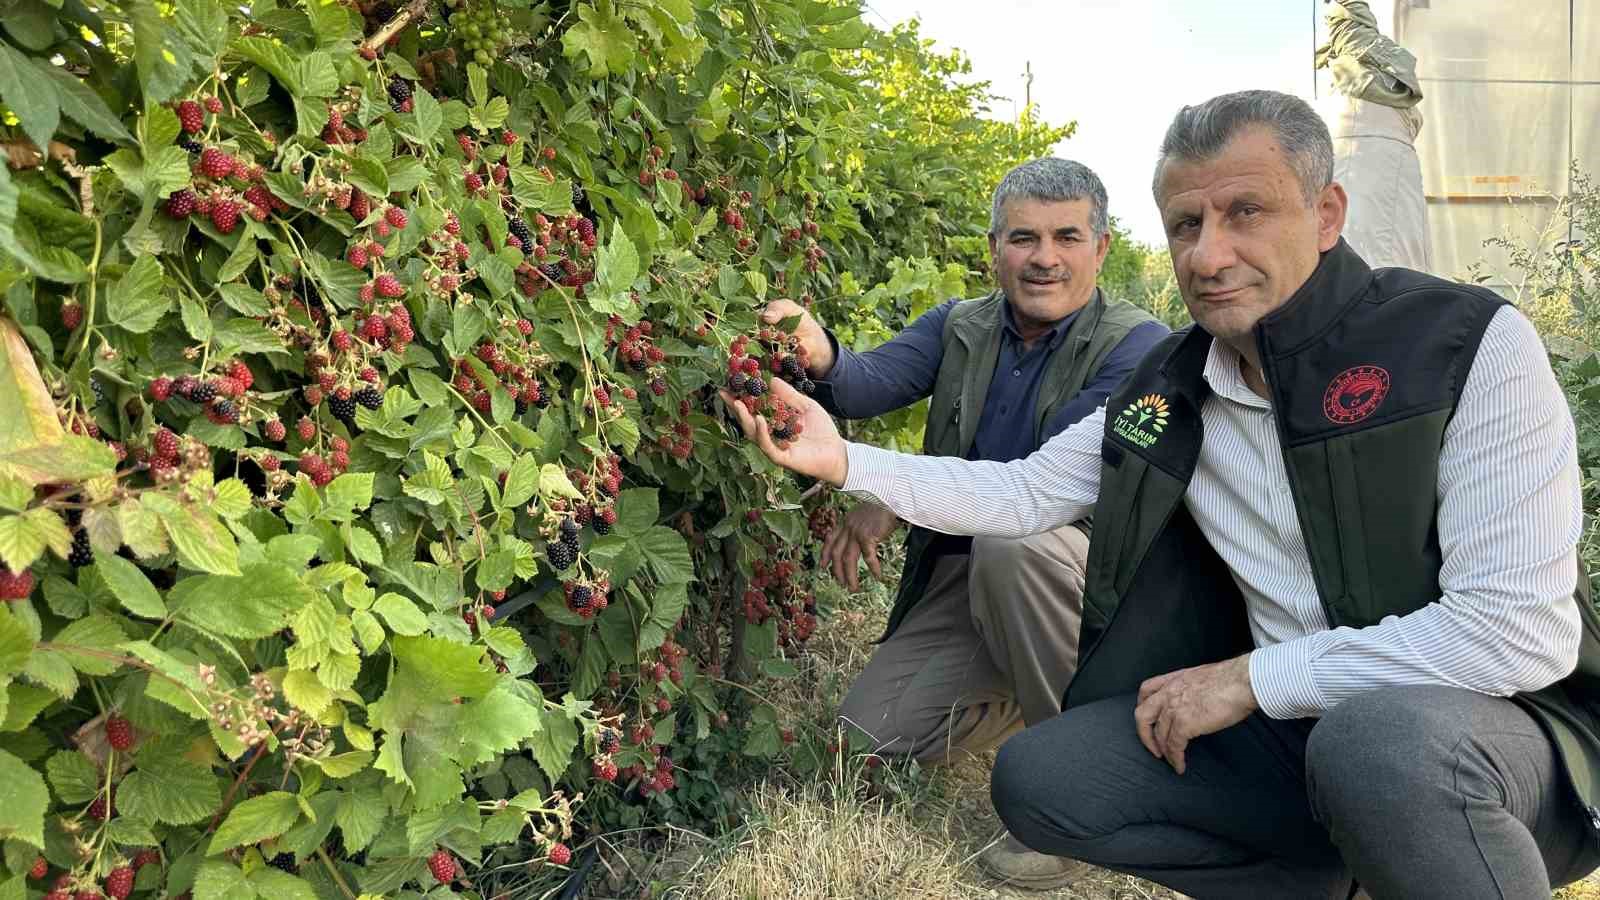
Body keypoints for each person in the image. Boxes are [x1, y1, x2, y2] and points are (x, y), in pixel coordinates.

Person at [724, 90, 1600, 898]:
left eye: (1245, 212)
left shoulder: (1465, 344)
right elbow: (1026, 494)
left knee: (1378, 744)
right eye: (1186, 223)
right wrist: (843, 461)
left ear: (1327, 214)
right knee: (1044, 780)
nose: (1209, 254)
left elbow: (1516, 632)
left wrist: (1254, 678)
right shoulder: (1169, 388)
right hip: (1291, 731)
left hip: (1504, 739)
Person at [759, 158, 1167, 888]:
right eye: (1023, 238)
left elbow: (1036, 485)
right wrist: (820, 353)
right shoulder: (960, 324)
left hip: (1077, 580)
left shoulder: (1136, 348)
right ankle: (1028, 688)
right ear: (993, 249)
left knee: (1016, 549)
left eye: (1067, 237)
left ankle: (1079, 800)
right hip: (971, 574)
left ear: (1101, 248)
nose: (1044, 258)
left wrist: (886, 491)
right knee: (862, 740)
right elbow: (866, 381)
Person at [1314, 0, 1433, 271]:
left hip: (1367, 176)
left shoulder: (1360, 89)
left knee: (1371, 263)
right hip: (1382, 179)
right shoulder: (1379, 88)